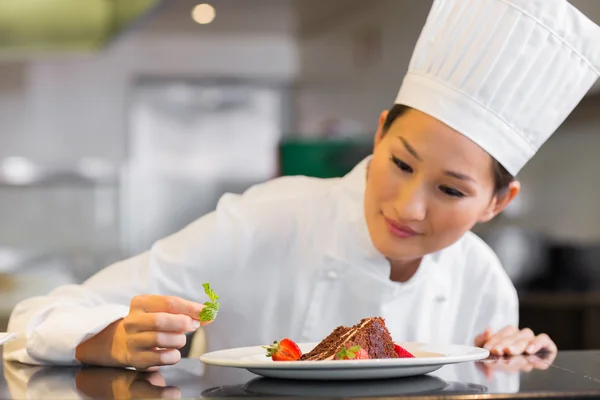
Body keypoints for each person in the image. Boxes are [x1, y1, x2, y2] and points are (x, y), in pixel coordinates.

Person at [5, 0, 600, 371]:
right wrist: (110, 339)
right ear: (379, 133)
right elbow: (37, 317)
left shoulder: (483, 281)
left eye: (450, 191)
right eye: (399, 163)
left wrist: (511, 366)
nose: (407, 206)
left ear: (499, 202)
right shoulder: (268, 219)